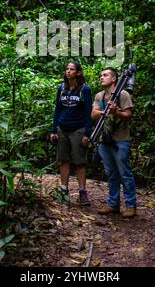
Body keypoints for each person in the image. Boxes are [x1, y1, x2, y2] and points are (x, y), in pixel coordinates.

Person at [92, 67, 136, 217]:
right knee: (111, 173)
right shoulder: (100, 95)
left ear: (114, 79)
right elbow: (94, 114)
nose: (101, 77)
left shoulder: (123, 94)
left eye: (105, 75)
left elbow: (128, 115)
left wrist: (116, 111)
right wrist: (105, 112)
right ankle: (113, 204)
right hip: (105, 139)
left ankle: (131, 205)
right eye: (101, 75)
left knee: (125, 173)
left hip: (121, 140)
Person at [49, 61, 92, 206]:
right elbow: (57, 110)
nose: (68, 71)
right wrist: (54, 130)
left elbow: (88, 113)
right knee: (63, 159)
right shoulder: (61, 88)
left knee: (80, 161)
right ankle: (64, 191)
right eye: (67, 69)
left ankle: (82, 193)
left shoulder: (84, 89)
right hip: (62, 129)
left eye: (72, 69)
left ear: (78, 73)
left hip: (78, 129)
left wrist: (87, 133)